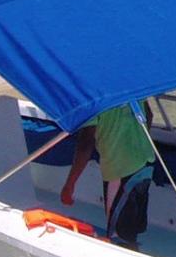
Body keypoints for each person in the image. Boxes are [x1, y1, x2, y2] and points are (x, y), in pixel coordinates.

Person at [58, 103, 156, 249]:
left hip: (120, 169)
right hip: (145, 161)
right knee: (131, 228)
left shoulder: (93, 100)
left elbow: (86, 144)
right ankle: (133, 251)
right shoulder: (126, 83)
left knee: (119, 236)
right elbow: (149, 114)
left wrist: (69, 184)